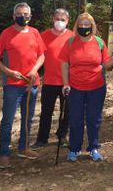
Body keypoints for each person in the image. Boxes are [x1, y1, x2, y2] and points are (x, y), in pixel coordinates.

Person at [0, 2, 46, 168]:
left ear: (30, 16)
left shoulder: (35, 33)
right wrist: (7, 72)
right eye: (20, 14)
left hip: (32, 84)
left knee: (28, 118)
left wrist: (34, 70)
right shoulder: (6, 34)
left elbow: (41, 56)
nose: (23, 17)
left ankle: (24, 147)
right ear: (14, 16)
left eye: (26, 14)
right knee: (8, 119)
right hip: (12, 85)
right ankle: (4, 153)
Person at [60, 12, 113, 162]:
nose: (84, 27)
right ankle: (74, 149)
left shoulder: (99, 42)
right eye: (81, 24)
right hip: (75, 87)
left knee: (94, 118)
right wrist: (65, 83)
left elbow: (105, 64)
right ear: (77, 25)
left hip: (96, 87)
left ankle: (93, 148)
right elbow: (64, 63)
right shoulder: (71, 42)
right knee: (76, 119)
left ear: (92, 26)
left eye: (87, 25)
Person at [31, 8, 74, 149]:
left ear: (67, 21)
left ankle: (63, 136)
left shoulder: (73, 37)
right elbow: (36, 55)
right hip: (49, 80)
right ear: (52, 19)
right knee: (46, 111)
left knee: (67, 111)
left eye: (63, 20)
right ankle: (42, 139)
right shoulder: (43, 36)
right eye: (57, 19)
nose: (59, 22)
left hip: (67, 81)